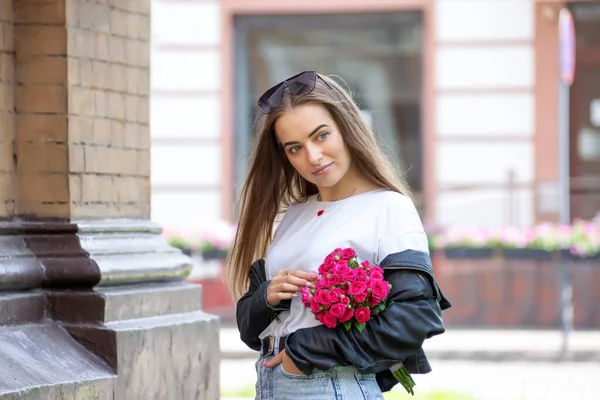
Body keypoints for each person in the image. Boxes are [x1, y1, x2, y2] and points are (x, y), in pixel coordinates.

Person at [225, 71, 451, 400]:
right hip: (271, 383)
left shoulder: (388, 207)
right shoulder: (295, 214)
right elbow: (251, 331)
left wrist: (302, 353)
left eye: (321, 136)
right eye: (294, 148)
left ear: (346, 128)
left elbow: (414, 319)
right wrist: (267, 298)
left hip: (329, 385)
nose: (312, 157)